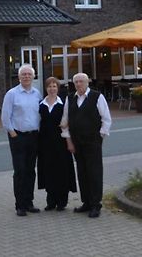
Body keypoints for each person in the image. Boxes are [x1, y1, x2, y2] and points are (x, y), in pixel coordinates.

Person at [60, 72, 112, 218]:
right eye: (76, 82)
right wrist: (68, 140)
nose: (78, 84)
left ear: (87, 82)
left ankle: (96, 204)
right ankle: (86, 202)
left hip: (93, 141)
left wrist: (99, 137)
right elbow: (65, 121)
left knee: (94, 172)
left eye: (81, 81)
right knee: (82, 172)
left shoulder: (97, 97)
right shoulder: (70, 98)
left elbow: (106, 119)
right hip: (77, 142)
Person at [1, 64, 41, 217]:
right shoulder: (12, 94)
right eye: (23, 74)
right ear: (19, 77)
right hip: (18, 137)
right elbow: (5, 116)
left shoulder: (37, 94)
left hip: (33, 136)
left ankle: (29, 202)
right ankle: (20, 205)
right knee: (20, 171)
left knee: (31, 171)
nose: (26, 77)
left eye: (29, 74)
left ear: (33, 76)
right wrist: (12, 133)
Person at [37, 77, 76, 211]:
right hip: (45, 143)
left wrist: (69, 142)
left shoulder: (64, 104)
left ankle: (62, 201)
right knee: (49, 171)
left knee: (62, 171)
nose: (52, 89)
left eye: (54, 86)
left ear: (58, 88)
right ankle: (51, 201)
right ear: (46, 88)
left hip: (61, 143)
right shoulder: (41, 104)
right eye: (49, 86)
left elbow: (67, 125)